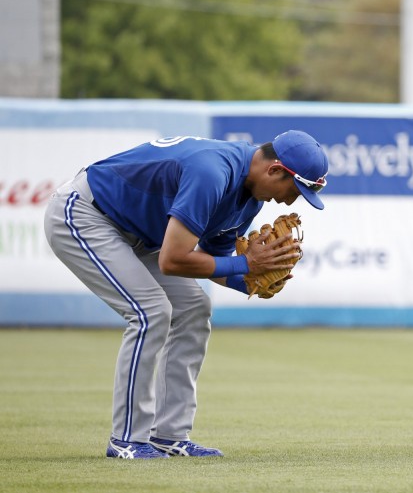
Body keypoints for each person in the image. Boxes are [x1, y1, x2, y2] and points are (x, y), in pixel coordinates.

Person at [44, 130, 329, 459]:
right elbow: (172, 260)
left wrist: (251, 281)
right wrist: (245, 263)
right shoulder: (212, 173)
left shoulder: (251, 196)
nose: (291, 201)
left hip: (140, 235)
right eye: (294, 190)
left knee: (194, 307)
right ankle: (127, 439)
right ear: (274, 170)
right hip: (85, 214)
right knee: (150, 312)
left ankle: (169, 435)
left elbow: (212, 258)